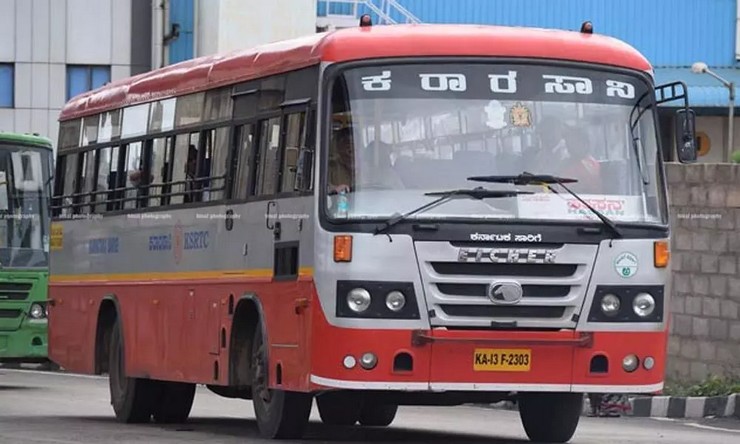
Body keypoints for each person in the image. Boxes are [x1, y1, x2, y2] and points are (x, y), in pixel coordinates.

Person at [327, 127, 354, 193]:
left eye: (354, 144)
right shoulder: (329, 168)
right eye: (347, 145)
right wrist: (335, 190)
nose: (351, 148)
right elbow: (321, 190)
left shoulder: (368, 169)